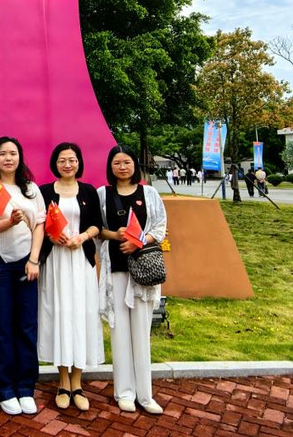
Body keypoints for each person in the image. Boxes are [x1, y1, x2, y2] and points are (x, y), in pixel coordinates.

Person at [0, 137, 45, 415]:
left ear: (20, 158)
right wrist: (8, 222)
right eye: (2, 153)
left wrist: (34, 259)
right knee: (1, 326)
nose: (8, 158)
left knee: (26, 325)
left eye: (13, 153)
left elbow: (40, 224)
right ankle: (3, 388)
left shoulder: (31, 189)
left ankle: (25, 387)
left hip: (27, 263)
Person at [97, 145, 166, 415]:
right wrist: (115, 236)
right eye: (117, 163)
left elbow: (160, 226)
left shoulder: (148, 194)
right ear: (110, 166)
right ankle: (124, 392)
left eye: (127, 162)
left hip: (143, 272)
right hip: (116, 269)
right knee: (120, 332)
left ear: (135, 165)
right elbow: (97, 229)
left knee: (141, 332)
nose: (122, 167)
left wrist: (140, 241)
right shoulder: (103, 194)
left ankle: (145, 395)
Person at [38, 143, 104, 412]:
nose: (67, 164)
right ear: (55, 163)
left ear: (79, 163)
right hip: (56, 261)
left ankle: (78, 383)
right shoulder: (44, 192)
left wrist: (83, 237)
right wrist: (52, 237)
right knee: (59, 314)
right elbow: (38, 224)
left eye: (72, 160)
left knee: (82, 315)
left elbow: (97, 224)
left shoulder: (88, 191)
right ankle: (62, 382)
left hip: (81, 261)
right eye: (62, 160)